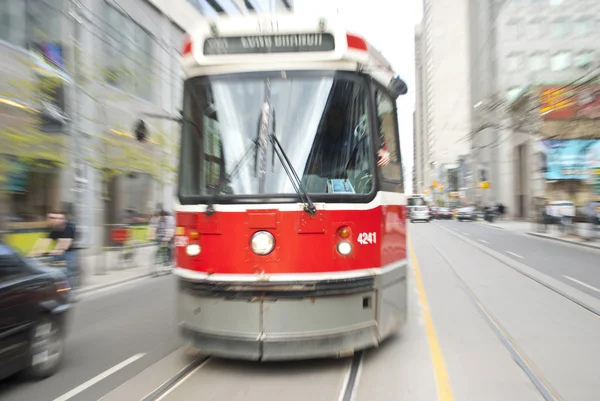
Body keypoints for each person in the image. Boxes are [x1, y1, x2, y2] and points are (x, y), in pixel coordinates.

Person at [29, 211, 79, 296]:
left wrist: (54, 251)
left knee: (68, 272)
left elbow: (64, 244)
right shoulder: (52, 228)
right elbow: (43, 242)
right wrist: (32, 254)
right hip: (57, 251)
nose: (56, 220)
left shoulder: (69, 226)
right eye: (52, 218)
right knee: (47, 269)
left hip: (70, 252)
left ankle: (71, 293)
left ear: (64, 219)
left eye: (59, 218)